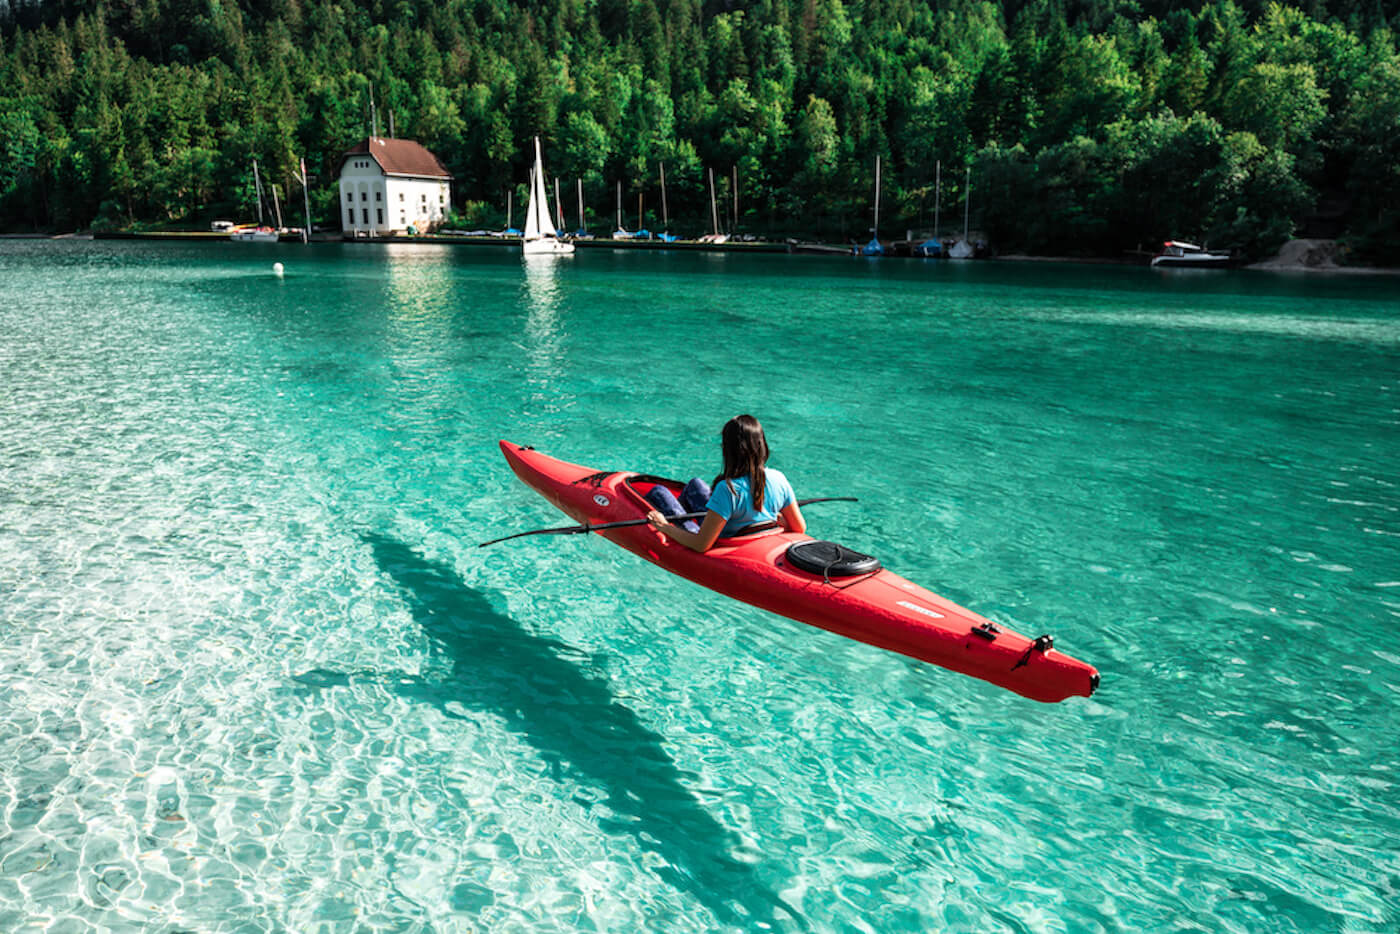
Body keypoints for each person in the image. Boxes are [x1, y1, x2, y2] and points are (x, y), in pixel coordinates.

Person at [646, 414, 806, 553]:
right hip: (743, 528)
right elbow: (799, 528)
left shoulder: (728, 489)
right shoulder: (779, 478)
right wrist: (772, 519)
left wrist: (663, 526)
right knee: (696, 484)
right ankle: (692, 513)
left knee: (659, 492)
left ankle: (680, 521)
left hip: (721, 540)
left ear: (729, 450)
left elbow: (701, 545)